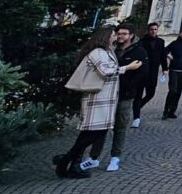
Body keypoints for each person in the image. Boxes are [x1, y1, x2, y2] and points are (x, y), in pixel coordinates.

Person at [52, 25, 142, 179]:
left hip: (106, 99)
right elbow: (106, 71)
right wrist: (127, 67)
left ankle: (72, 164)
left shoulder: (108, 51)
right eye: (114, 35)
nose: (116, 37)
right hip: (97, 98)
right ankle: (66, 159)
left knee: (87, 133)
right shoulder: (98, 52)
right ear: (106, 36)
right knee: (95, 132)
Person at [82, 23, 149, 172]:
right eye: (118, 34)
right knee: (101, 126)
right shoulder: (110, 49)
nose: (120, 36)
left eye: (124, 34)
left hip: (124, 95)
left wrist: (129, 87)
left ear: (131, 35)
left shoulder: (139, 51)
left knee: (120, 127)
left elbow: (143, 72)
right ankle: (94, 157)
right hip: (106, 94)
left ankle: (115, 157)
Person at [135, 22, 165, 127]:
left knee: (151, 93)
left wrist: (165, 68)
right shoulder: (142, 41)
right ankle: (136, 117)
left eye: (155, 29)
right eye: (152, 29)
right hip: (142, 71)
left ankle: (137, 107)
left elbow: (163, 55)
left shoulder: (161, 41)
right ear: (148, 30)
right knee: (138, 94)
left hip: (153, 71)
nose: (153, 31)